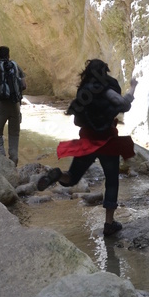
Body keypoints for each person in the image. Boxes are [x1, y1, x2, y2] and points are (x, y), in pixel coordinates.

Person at [37, 59, 137, 237]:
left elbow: (77, 121)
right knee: (112, 181)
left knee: (73, 178)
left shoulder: (84, 92)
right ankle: (109, 223)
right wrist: (132, 87)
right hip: (107, 143)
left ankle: (59, 175)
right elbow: (124, 105)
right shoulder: (106, 89)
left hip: (88, 141)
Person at [0, 45, 26, 167]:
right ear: (8, 55)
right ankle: (13, 160)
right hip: (15, 105)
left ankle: (0, 163)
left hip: (0, 105)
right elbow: (24, 85)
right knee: (14, 134)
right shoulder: (16, 67)